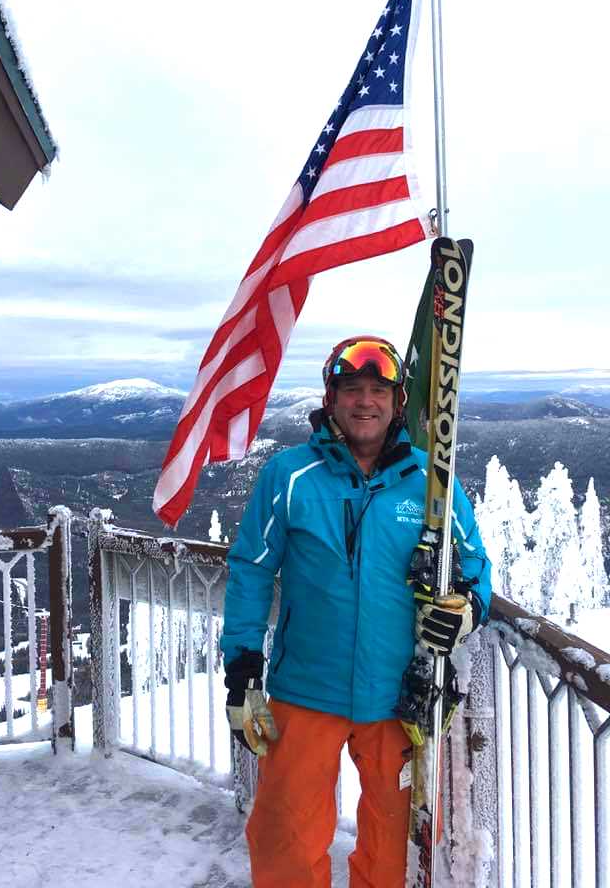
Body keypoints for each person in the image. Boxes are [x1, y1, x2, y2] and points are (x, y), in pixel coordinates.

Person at [220, 336, 491, 888]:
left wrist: (469, 609)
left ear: (396, 402)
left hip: (398, 699)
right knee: (284, 837)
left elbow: (474, 564)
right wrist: (242, 667)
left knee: (392, 843)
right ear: (331, 398)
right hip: (304, 691)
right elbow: (251, 568)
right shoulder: (290, 475)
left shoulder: (431, 483)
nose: (364, 402)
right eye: (352, 390)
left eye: (377, 391)